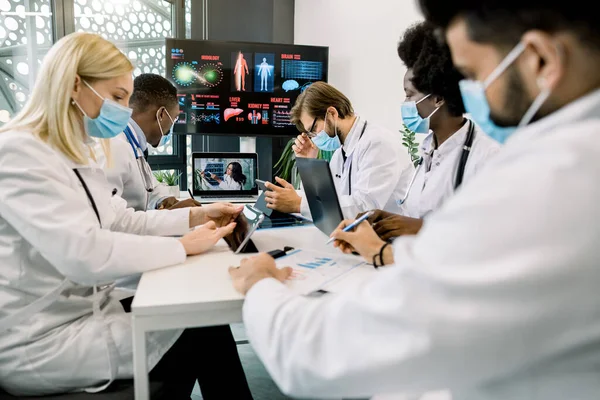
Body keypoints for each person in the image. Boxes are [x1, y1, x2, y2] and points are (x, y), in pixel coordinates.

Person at [229, 0, 600, 399]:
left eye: (473, 75)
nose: (466, 92)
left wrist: (262, 284)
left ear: (541, 60)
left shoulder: (554, 181)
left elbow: (317, 356)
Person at [0, 32, 253, 399]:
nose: (125, 108)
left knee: (200, 321)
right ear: (74, 85)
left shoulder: (76, 153)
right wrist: (182, 247)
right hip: (39, 338)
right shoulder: (19, 152)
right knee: (198, 330)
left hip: (81, 310)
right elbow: (84, 255)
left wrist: (199, 217)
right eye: (118, 97)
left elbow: (123, 220)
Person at [366, 21, 501, 240]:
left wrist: (420, 228)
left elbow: (488, 234)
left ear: (438, 98)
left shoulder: (485, 155)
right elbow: (418, 214)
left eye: (410, 95)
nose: (405, 102)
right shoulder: (429, 149)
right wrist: (389, 221)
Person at [264, 81, 414, 219]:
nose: (314, 137)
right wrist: (309, 163)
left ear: (332, 113)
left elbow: (365, 208)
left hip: (390, 241)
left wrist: (298, 204)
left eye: (314, 129)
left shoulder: (377, 143)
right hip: (360, 236)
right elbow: (328, 202)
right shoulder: (340, 153)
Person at [99, 73, 199, 211]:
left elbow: (149, 187)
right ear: (161, 114)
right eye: (174, 118)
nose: (172, 125)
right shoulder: (115, 146)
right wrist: (175, 217)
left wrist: (164, 200)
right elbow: (111, 219)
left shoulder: (135, 146)